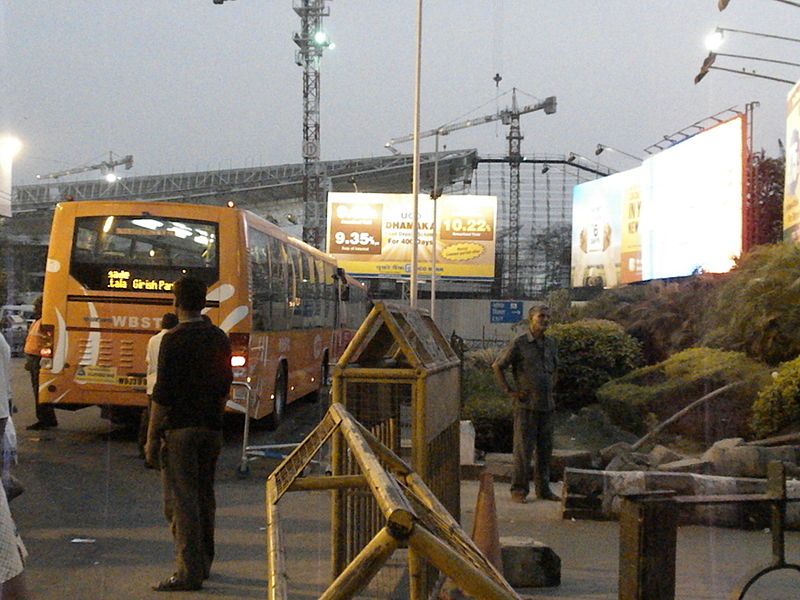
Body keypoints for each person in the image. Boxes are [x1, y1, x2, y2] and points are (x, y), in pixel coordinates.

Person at [145, 277, 232, 592]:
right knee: (205, 496)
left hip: (181, 429)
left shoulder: (173, 339)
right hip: (212, 429)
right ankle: (203, 563)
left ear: (175, 302)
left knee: (182, 502)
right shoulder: (219, 337)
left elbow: (162, 394)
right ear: (204, 303)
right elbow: (225, 385)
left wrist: (151, 438)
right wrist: (215, 417)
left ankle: (187, 573)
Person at [492, 304, 559, 503]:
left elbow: (555, 369)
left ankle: (543, 489)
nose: (545, 320)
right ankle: (519, 490)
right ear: (531, 319)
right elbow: (498, 366)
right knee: (523, 451)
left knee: (545, 450)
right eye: (541, 316)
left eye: (547, 316)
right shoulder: (520, 343)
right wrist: (510, 392)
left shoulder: (551, 343)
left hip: (547, 406)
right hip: (526, 406)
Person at [138, 312, 179, 465]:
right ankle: (161, 454)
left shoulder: (153, 339)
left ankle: (146, 450)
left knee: (151, 420)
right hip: (166, 386)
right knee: (166, 423)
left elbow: (148, 360)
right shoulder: (174, 339)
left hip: (152, 385)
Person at [24, 296, 57, 431]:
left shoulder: (45, 322)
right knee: (38, 390)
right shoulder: (37, 322)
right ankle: (47, 418)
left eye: (37, 307)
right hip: (33, 359)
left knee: (40, 391)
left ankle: (45, 419)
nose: (35, 309)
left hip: (39, 359)